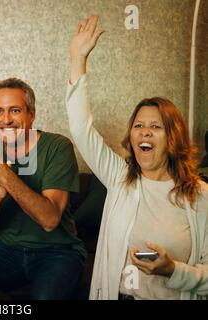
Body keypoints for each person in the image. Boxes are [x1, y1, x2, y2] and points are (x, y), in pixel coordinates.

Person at [66, 14, 208, 300]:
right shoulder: (119, 178)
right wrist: (77, 58)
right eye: (139, 126)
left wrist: (172, 270)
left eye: (156, 127)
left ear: (173, 139)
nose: (144, 132)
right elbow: (81, 129)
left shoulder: (201, 196)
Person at [0, 78, 86, 300]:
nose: (6, 120)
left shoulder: (57, 147)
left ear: (31, 113)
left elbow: (50, 219)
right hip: (7, 250)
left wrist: (5, 175)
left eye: (15, 110)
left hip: (58, 252)